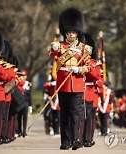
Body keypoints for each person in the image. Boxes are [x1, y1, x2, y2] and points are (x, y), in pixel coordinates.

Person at [49, 7, 92, 150]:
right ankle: (65, 141)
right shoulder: (60, 46)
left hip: (77, 85)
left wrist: (79, 69)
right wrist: (54, 46)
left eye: (73, 32)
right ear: (65, 32)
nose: (71, 34)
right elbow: (52, 52)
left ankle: (76, 139)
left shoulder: (84, 48)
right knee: (64, 114)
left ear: (77, 32)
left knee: (75, 115)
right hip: (63, 84)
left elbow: (88, 66)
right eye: (69, 32)